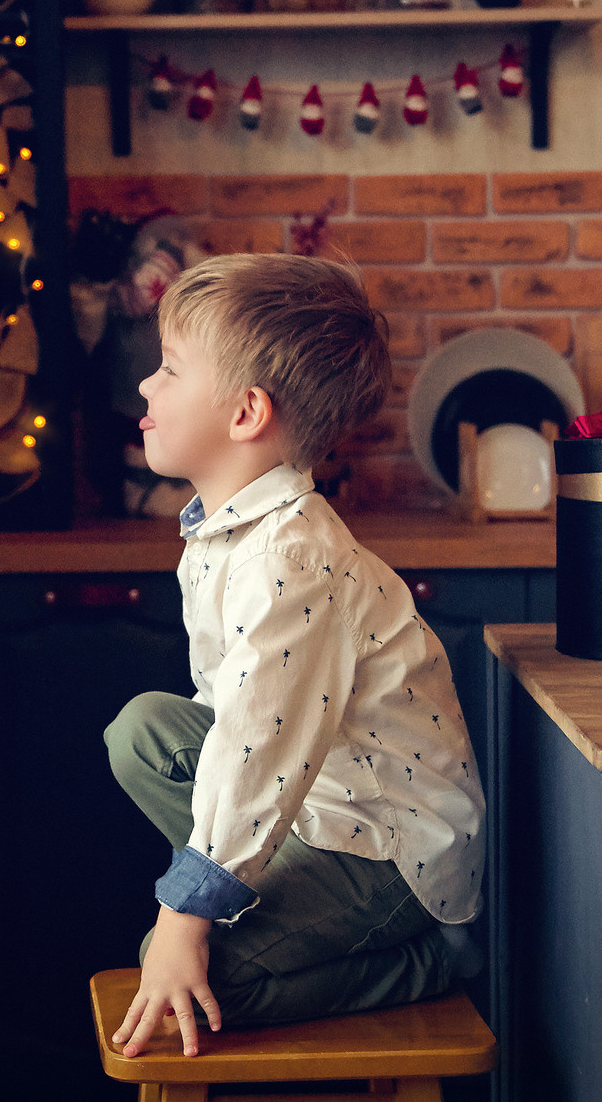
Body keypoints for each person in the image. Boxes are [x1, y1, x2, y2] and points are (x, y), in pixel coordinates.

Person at [106, 254, 485, 1059]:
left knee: (186, 981)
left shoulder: (292, 561)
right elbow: (238, 729)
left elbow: (257, 743)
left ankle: (422, 960)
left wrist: (182, 922)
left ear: (245, 413)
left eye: (169, 368)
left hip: (387, 848)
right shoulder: (231, 527)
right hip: (314, 799)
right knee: (141, 732)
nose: (146, 386)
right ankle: (242, 889)